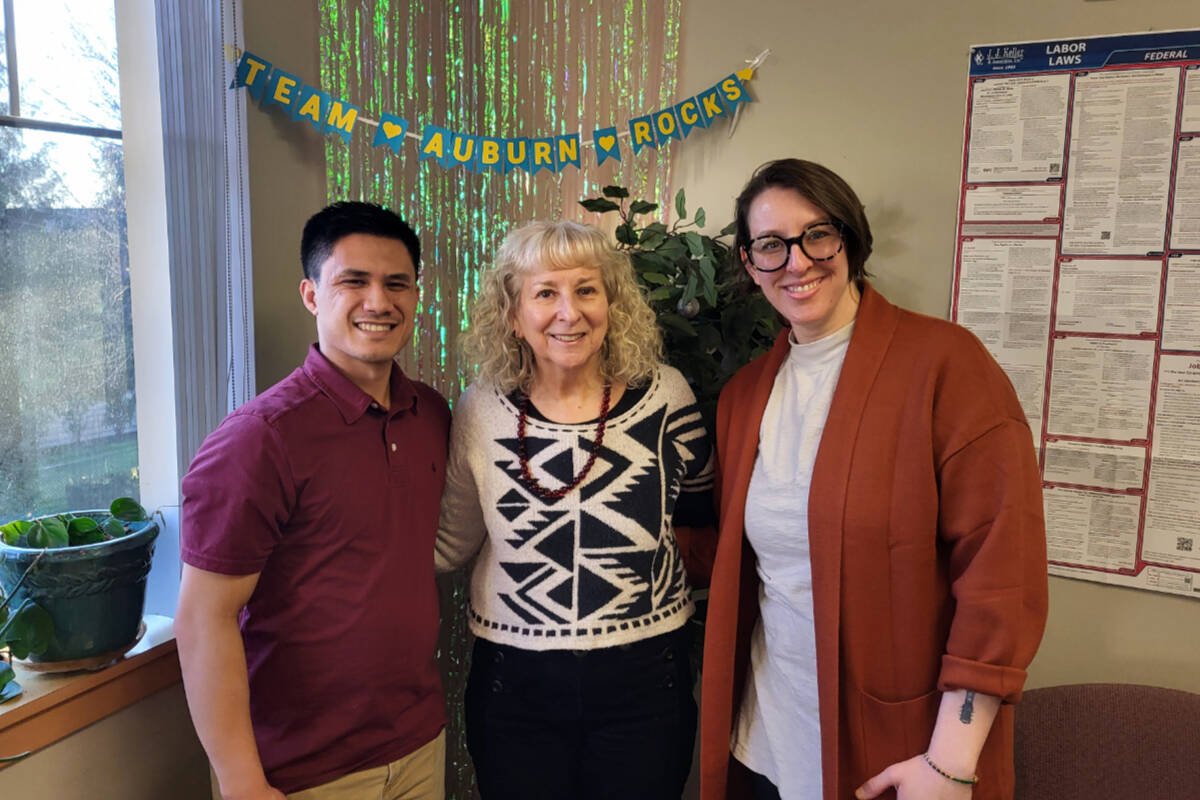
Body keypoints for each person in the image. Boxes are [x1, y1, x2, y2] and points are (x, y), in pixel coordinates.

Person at [696, 159, 1049, 800]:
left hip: (902, 758)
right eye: (771, 246)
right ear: (750, 265)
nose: (797, 263)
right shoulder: (744, 396)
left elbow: (1004, 575)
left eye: (817, 235)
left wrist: (950, 762)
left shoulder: (944, 366)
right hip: (764, 744)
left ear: (850, 240)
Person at [175, 202, 451, 800]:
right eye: (353, 281)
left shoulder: (431, 415)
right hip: (299, 771)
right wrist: (243, 782)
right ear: (311, 294)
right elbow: (203, 618)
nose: (378, 302)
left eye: (396, 283)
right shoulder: (259, 439)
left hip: (418, 743)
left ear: (416, 297)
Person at [435, 220, 714, 800]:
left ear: (612, 302)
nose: (570, 312)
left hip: (645, 678)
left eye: (586, 289)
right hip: (515, 683)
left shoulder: (668, 396)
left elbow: (701, 513)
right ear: (512, 316)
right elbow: (451, 545)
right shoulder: (479, 410)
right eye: (545, 293)